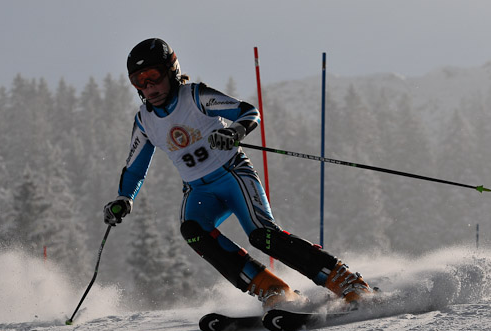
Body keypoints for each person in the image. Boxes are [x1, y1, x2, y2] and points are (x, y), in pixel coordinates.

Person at [104, 38, 373, 309]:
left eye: (153, 76)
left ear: (172, 70)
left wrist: (234, 132)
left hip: (233, 175)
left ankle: (347, 281)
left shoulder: (195, 96)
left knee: (262, 235)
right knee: (193, 230)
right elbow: (135, 168)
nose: (149, 86)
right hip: (198, 190)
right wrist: (124, 198)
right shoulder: (144, 121)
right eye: (139, 80)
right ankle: (273, 290)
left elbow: (247, 112)